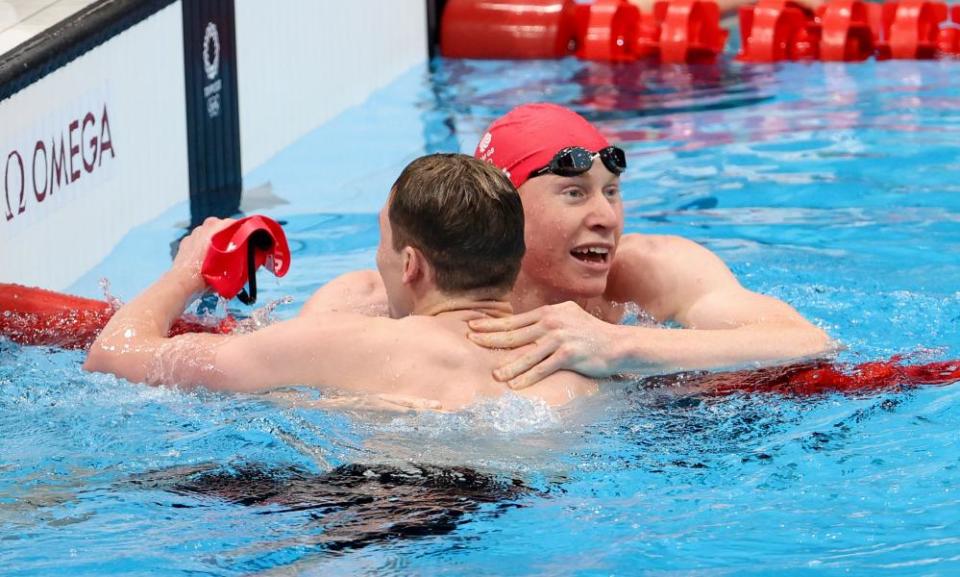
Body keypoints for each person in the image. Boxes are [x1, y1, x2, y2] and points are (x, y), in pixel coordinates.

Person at [302, 103, 834, 389]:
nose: (606, 218)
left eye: (612, 193)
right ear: (504, 203)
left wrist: (621, 347)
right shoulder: (383, 296)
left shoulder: (652, 271)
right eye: (574, 193)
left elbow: (807, 341)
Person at [83, 153, 596, 410]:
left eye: (383, 242)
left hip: (372, 501)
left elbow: (114, 355)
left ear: (411, 264)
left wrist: (186, 273)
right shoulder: (582, 365)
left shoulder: (345, 344)